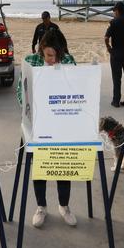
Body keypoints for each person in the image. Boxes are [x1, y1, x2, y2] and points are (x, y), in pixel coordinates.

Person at [17, 31, 78, 228]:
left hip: (62, 123)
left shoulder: (69, 61)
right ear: (41, 50)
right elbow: (21, 92)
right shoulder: (30, 61)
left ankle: (64, 205)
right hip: (38, 123)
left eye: (57, 56)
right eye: (49, 55)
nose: (53, 60)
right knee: (40, 167)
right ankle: (41, 206)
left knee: (62, 165)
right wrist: (30, 111)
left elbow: (76, 90)